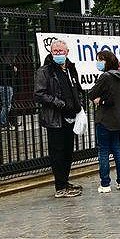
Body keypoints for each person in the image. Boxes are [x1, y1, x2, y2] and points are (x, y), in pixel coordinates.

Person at [34, 40, 84, 198]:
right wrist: (59, 103)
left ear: (67, 52)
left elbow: (77, 88)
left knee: (68, 152)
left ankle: (65, 181)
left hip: (70, 117)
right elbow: (39, 94)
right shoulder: (45, 71)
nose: (58, 54)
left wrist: (79, 105)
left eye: (61, 51)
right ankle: (60, 187)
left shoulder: (70, 68)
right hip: (55, 118)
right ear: (51, 52)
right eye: (55, 51)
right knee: (57, 153)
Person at [88, 50, 120, 193]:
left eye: (100, 60)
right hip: (117, 118)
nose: (98, 63)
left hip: (105, 119)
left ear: (107, 61)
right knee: (117, 149)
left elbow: (92, 93)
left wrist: (100, 100)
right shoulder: (119, 75)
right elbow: (114, 97)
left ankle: (105, 184)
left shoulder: (105, 76)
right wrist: (103, 99)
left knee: (103, 151)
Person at [0, 51, 19, 131]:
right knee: (7, 105)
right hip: (6, 87)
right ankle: (3, 123)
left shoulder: (2, 65)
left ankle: (6, 122)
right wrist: (14, 70)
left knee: (6, 105)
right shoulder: (7, 66)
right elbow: (10, 77)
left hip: (3, 86)